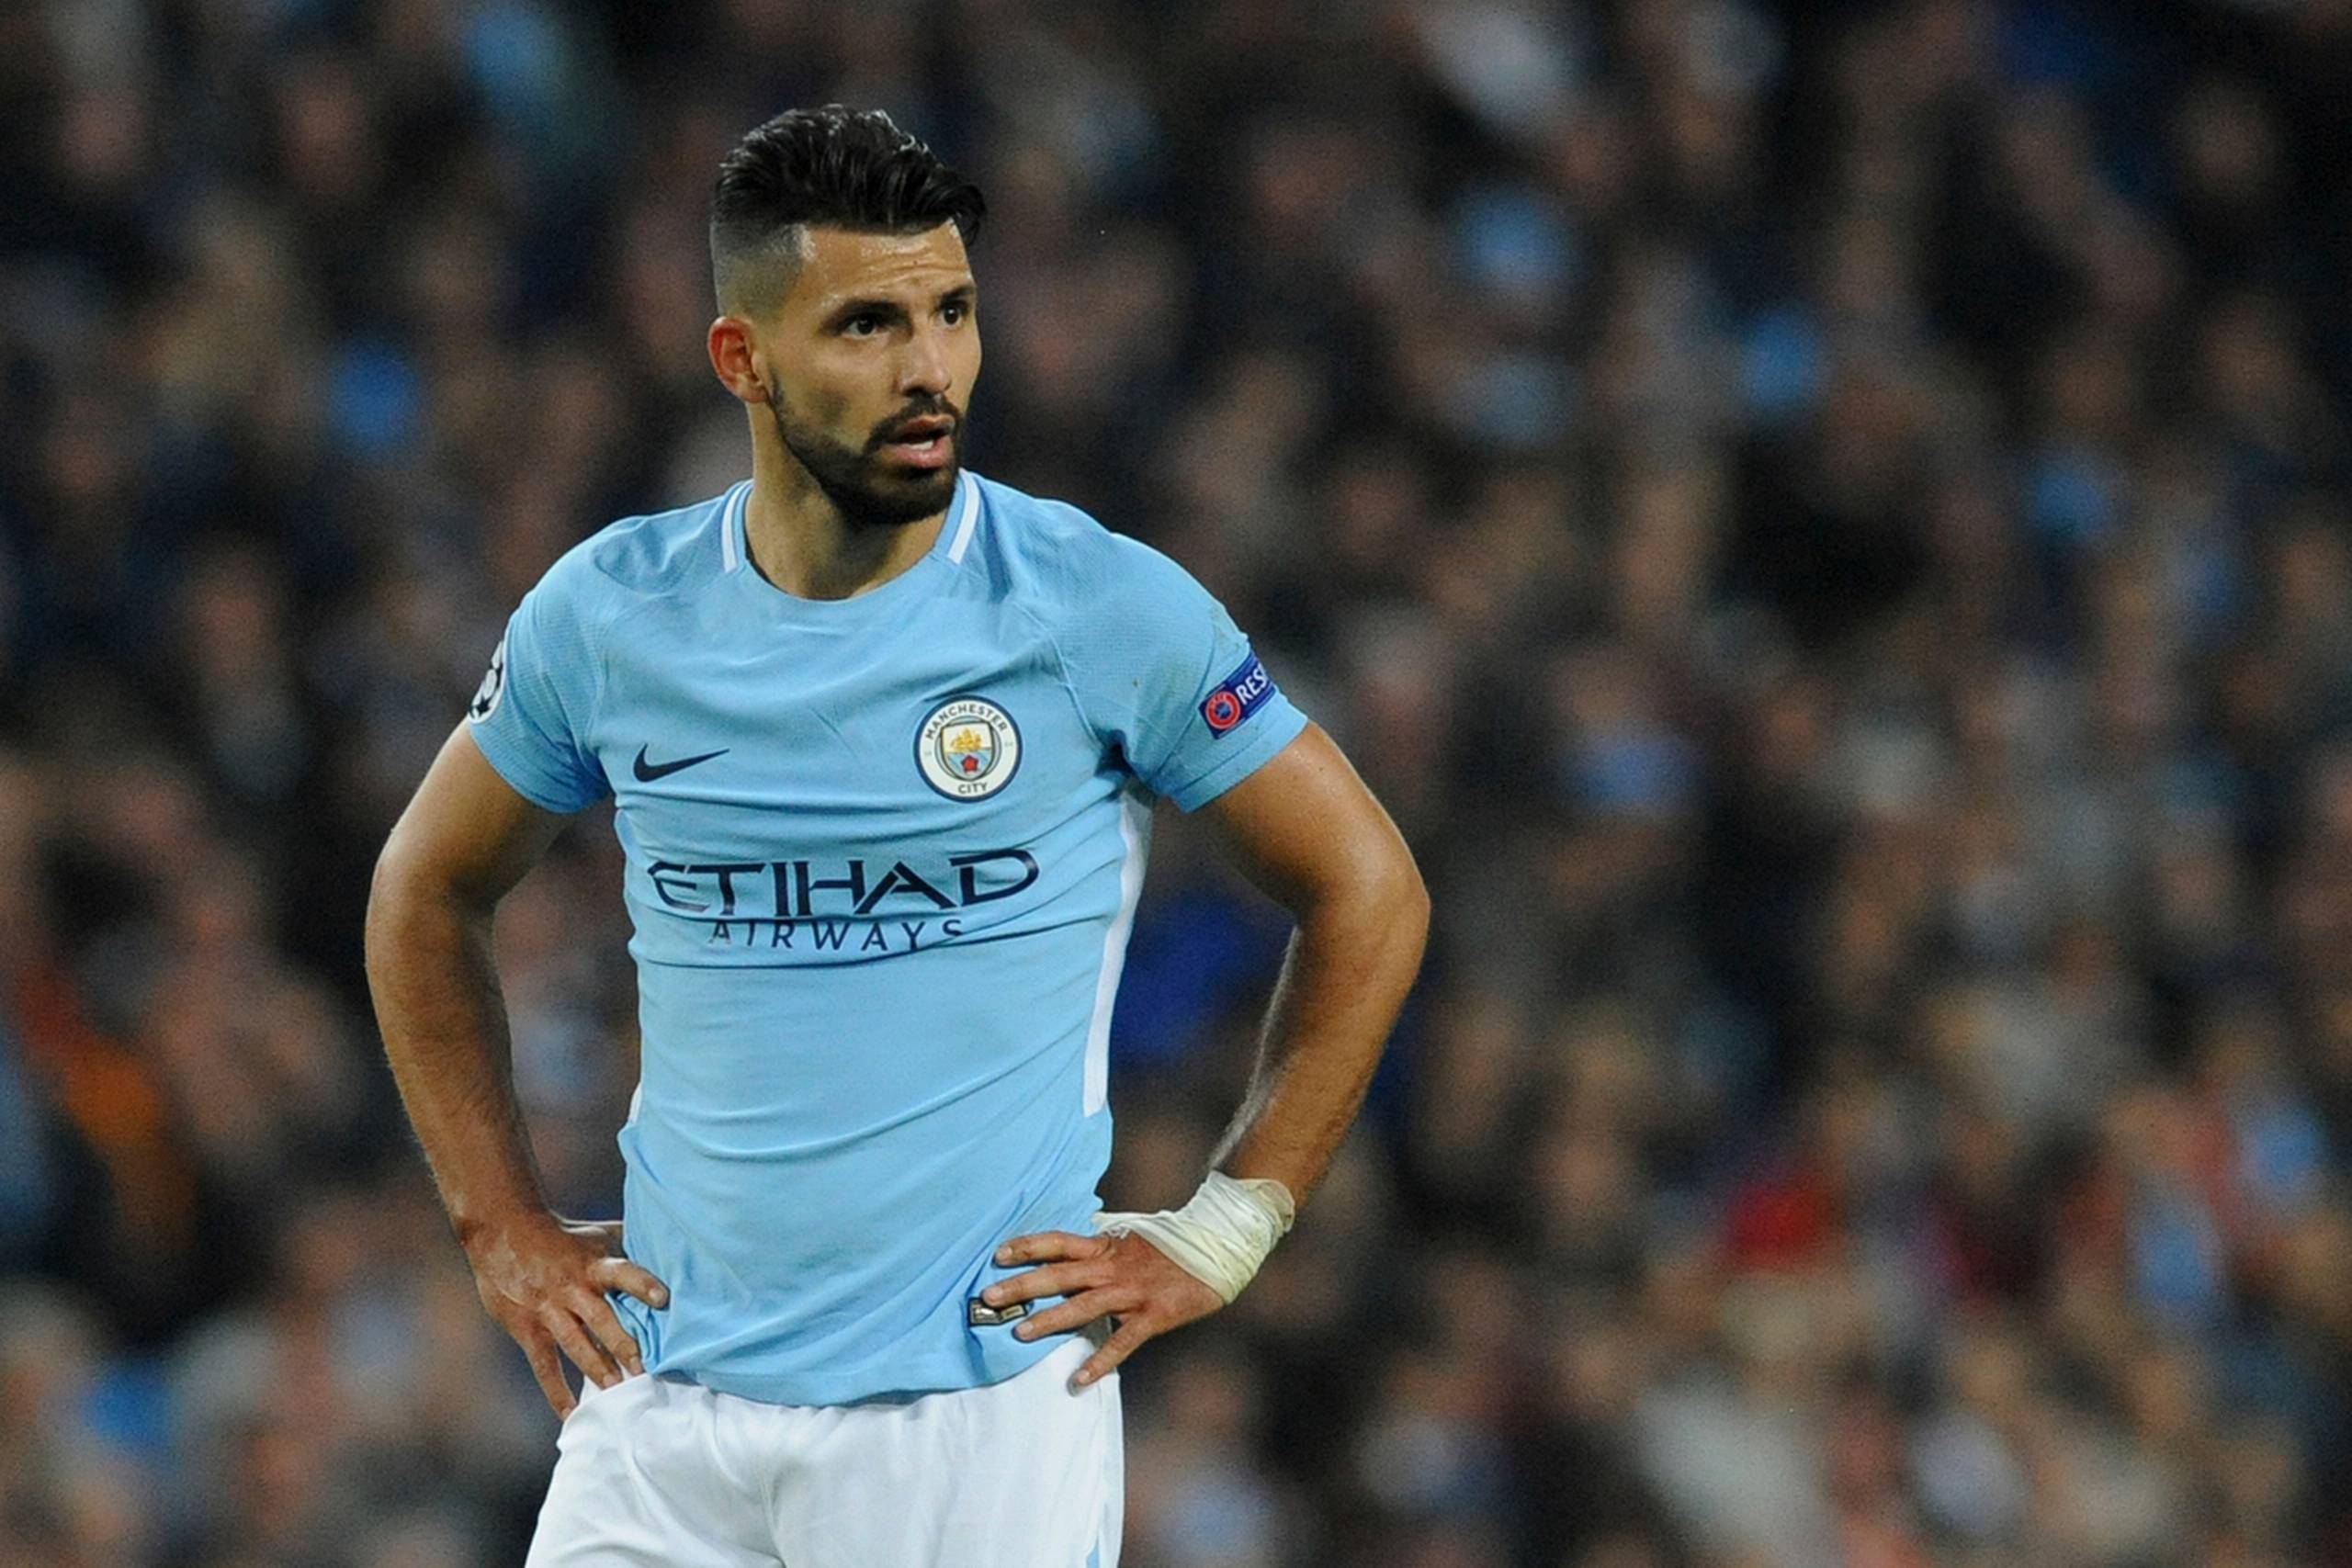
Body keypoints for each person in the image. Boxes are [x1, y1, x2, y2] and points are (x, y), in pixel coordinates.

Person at [364, 105, 1429, 1568]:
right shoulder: (609, 618)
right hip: (662, 1406)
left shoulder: (1091, 606)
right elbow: (424, 893)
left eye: (952, 313)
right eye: (867, 325)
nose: (930, 368)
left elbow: (1367, 885)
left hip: (974, 1425)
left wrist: (1231, 1220)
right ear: (744, 358)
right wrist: (498, 1225)